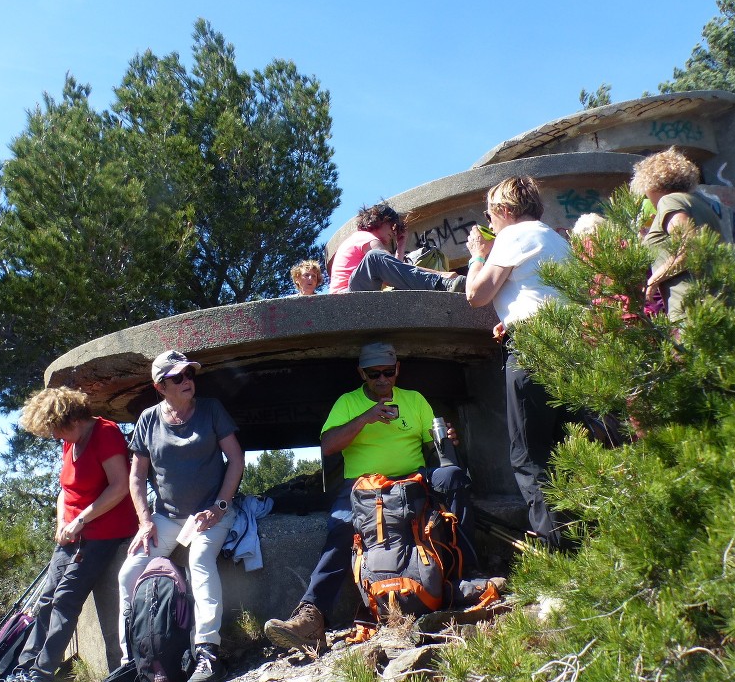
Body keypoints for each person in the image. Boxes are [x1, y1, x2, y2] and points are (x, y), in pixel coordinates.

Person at [262, 342, 471, 652]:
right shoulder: (348, 402)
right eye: (374, 374)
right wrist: (366, 417)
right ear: (362, 373)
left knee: (454, 478)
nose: (383, 379)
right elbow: (328, 445)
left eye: (388, 372)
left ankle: (464, 579)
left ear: (397, 369)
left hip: (411, 479)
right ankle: (312, 616)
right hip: (363, 487)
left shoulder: (414, 401)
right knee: (342, 528)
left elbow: (434, 444)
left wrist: (449, 438)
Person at [117, 350, 245, 682]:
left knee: (200, 560)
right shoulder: (148, 419)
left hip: (210, 514)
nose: (187, 381)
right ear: (160, 387)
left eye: (189, 374)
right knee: (128, 573)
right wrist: (145, 521)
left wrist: (219, 507)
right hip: (166, 517)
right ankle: (134, 658)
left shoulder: (212, 409)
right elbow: (136, 476)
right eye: (178, 378)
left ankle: (207, 653)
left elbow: (236, 459)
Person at [464, 176, 572, 549]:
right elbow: (539, 290)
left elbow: (476, 295)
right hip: (571, 345)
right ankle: (588, 543)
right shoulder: (557, 239)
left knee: (529, 453)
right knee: (567, 448)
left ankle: (556, 552)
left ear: (506, 212)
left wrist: (478, 253)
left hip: (533, 348)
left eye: (490, 216)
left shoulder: (512, 235)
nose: (489, 224)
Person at [6, 388, 138, 682]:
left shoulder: (105, 432)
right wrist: (61, 524)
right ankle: (22, 670)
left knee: (65, 600)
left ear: (71, 419)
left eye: (54, 429)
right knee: (45, 601)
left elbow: (119, 486)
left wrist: (80, 520)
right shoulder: (70, 441)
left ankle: (39, 674)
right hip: (74, 534)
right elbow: (65, 492)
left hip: (106, 531)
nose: (53, 436)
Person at [630, 147, 724, 320]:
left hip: (691, 308)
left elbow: (689, 247)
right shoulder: (700, 203)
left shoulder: (669, 201)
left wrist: (653, 281)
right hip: (715, 301)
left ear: (650, 182)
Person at [328, 202, 466, 293]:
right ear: (380, 220)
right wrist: (441, 275)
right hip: (347, 295)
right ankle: (441, 284)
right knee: (374, 257)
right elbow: (396, 271)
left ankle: (440, 283)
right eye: (393, 226)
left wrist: (401, 245)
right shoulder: (365, 238)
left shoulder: (358, 239)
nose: (394, 232)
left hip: (355, 293)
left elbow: (395, 273)